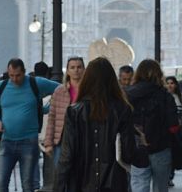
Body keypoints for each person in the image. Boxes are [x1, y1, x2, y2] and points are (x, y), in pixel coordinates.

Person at [52, 57, 133, 192]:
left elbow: (66, 156)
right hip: (114, 182)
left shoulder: (74, 111)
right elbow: (128, 152)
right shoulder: (123, 109)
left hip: (81, 182)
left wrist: (58, 187)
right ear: (112, 80)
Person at [0, 58, 60, 192]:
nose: (14, 79)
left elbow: (60, 89)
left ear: (24, 72)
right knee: (2, 181)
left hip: (29, 141)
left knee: (27, 183)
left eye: (18, 75)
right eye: (11, 75)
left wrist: (49, 107)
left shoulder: (35, 83)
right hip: (7, 140)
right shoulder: (1, 86)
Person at [126, 59, 179, 192]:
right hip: (161, 147)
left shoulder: (128, 94)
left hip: (137, 148)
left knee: (139, 183)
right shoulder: (166, 96)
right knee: (160, 187)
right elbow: (173, 126)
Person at [42, 55, 83, 189]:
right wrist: (48, 143)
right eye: (72, 67)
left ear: (84, 69)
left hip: (83, 139)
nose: (76, 70)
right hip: (62, 138)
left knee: (80, 175)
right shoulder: (60, 91)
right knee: (61, 175)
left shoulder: (89, 91)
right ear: (68, 71)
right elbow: (52, 118)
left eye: (79, 67)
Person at [164, 75, 182, 188]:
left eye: (172, 83)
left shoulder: (181, 97)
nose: (170, 85)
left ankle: (170, 175)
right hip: (166, 130)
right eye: (168, 83)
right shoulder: (163, 96)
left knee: (174, 153)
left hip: (178, 130)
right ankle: (166, 176)